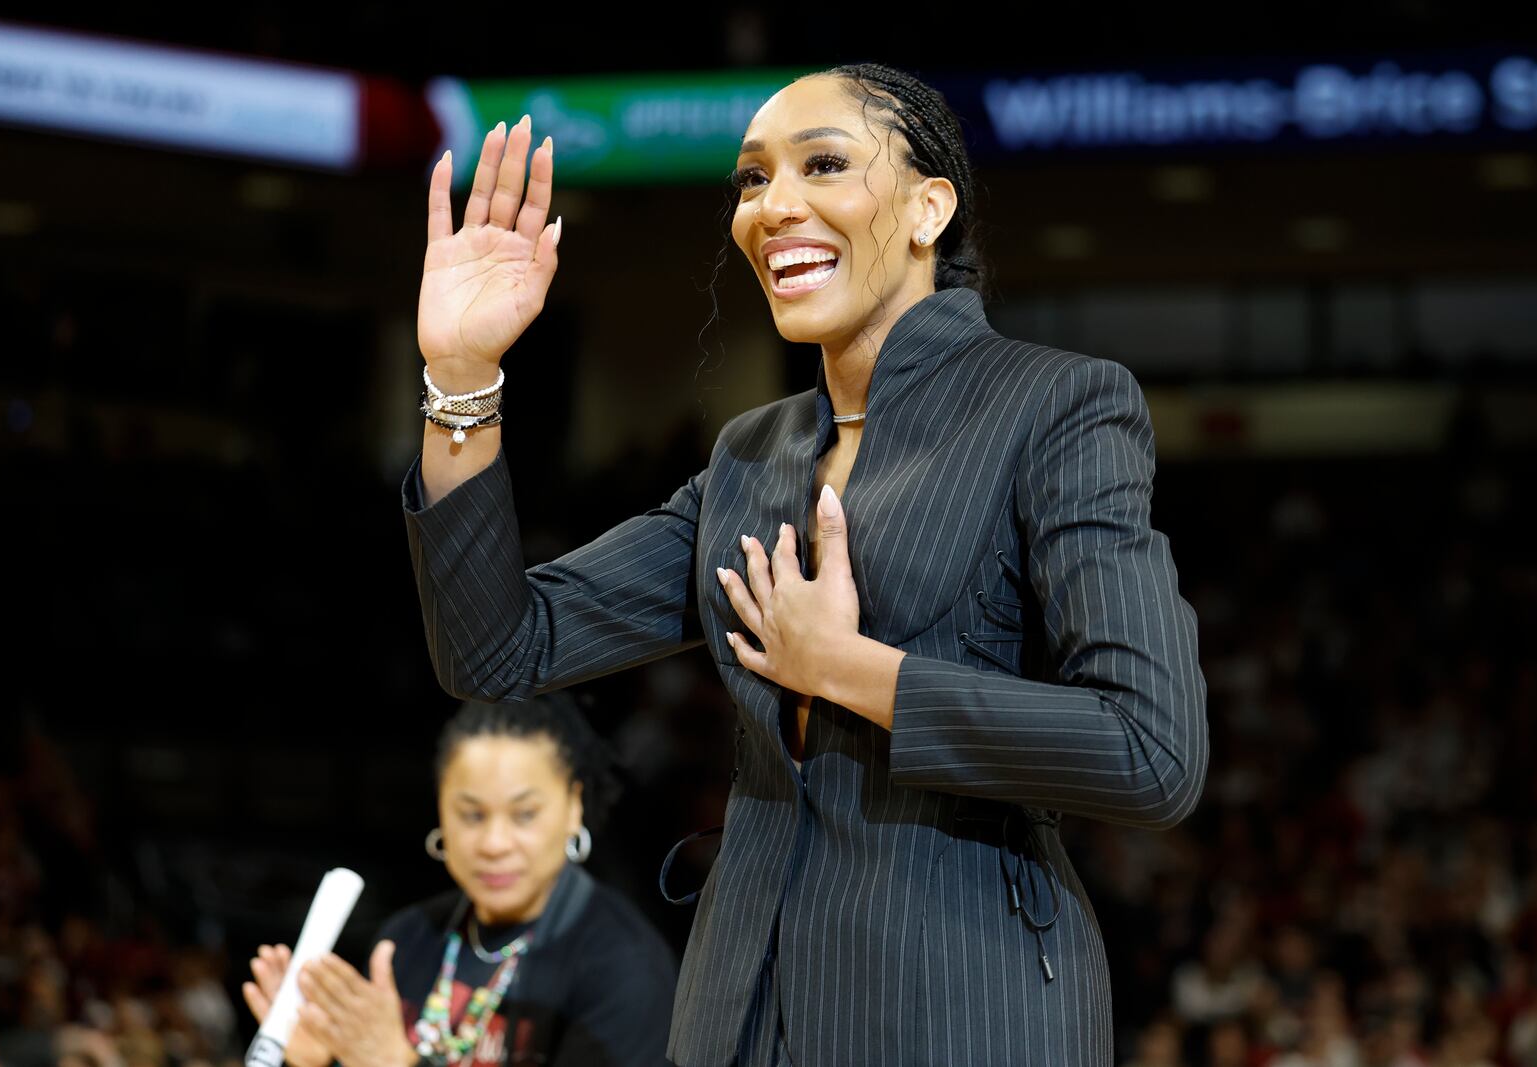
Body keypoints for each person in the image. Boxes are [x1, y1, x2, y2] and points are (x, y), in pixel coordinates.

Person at [404, 62, 1209, 1067]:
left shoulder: (1056, 406)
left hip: (964, 1006)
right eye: (750, 180)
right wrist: (463, 376)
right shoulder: (749, 454)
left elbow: (1152, 749)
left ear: (928, 208)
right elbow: (496, 650)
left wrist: (846, 668)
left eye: (822, 164)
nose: (772, 206)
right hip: (736, 1012)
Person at [242, 697, 677, 1067]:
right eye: (471, 814)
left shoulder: (624, 966)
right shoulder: (409, 939)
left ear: (573, 807)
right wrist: (322, 1058)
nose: (493, 843)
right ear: (441, 813)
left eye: (524, 814)